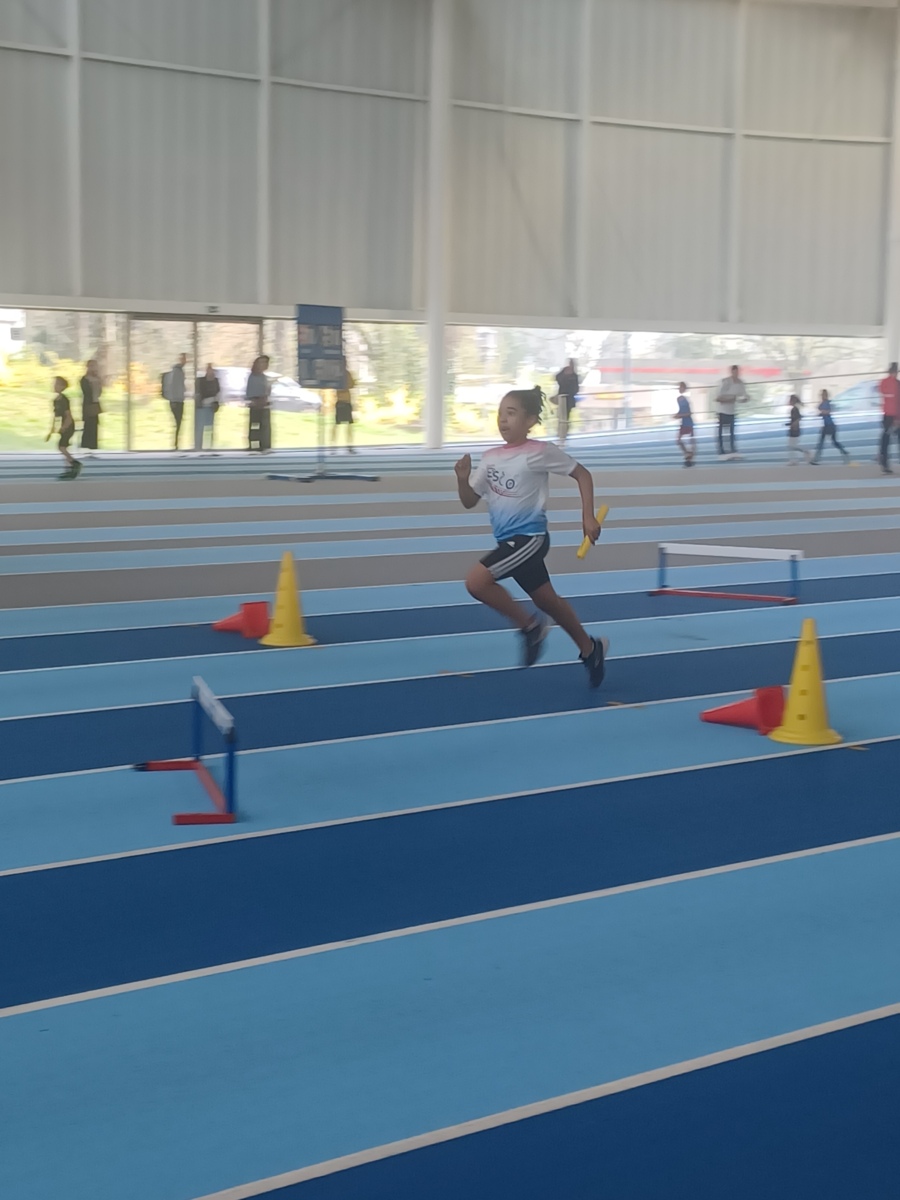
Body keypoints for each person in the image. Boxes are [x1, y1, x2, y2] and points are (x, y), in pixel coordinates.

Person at [454, 385, 608, 687]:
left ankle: (530, 627)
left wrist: (587, 516)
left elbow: (582, 474)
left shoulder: (539, 452)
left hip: (530, 539)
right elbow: (470, 500)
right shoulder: (490, 458)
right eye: (500, 413)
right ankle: (591, 649)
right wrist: (462, 479)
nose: (503, 419)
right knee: (549, 602)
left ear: (530, 421)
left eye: (511, 413)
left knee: (476, 582)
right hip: (509, 543)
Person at [46, 376, 81, 479]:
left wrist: (64, 427)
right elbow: (55, 417)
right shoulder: (55, 400)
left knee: (61, 447)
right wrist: (51, 430)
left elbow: (68, 415)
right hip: (64, 425)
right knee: (64, 447)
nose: (54, 386)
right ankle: (68, 469)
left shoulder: (64, 400)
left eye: (56, 384)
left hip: (69, 425)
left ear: (62, 387)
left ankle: (75, 463)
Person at [714, 365, 748, 459]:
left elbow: (743, 395)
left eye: (737, 372)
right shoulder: (725, 382)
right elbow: (718, 398)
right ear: (731, 372)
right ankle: (721, 451)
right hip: (722, 410)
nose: (736, 374)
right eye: (734, 372)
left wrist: (744, 399)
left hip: (732, 411)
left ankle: (733, 450)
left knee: (732, 432)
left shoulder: (740, 383)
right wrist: (730, 399)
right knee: (721, 432)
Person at [812, 389, 848, 464]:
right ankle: (844, 452)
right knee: (832, 441)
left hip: (829, 425)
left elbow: (827, 411)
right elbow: (820, 409)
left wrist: (822, 412)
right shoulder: (825, 403)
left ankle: (816, 459)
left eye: (823, 395)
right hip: (828, 425)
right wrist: (821, 412)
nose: (822, 396)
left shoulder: (826, 403)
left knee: (823, 442)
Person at [246, 355, 272, 451]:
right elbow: (250, 393)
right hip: (256, 406)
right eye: (263, 362)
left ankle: (265, 445)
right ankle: (255, 446)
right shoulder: (253, 377)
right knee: (255, 427)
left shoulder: (263, 377)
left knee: (264, 428)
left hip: (264, 406)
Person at [878, 362, 900, 475]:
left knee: (885, 439)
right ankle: (883, 459)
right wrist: (897, 418)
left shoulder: (883, 383)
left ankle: (884, 461)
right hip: (895, 415)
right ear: (896, 372)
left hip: (886, 415)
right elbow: (897, 402)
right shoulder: (897, 384)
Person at [162, 353, 187, 449]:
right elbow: (173, 386)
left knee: (179, 422)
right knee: (178, 422)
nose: (185, 361)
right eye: (183, 359)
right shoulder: (177, 372)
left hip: (178, 400)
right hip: (176, 401)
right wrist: (173, 400)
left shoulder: (180, 371)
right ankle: (175, 443)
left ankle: (176, 443)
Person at [195, 363, 220, 450]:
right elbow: (200, 394)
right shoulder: (201, 381)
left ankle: (209, 446)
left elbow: (218, 392)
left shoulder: (215, 381)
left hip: (211, 408)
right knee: (200, 428)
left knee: (209, 428)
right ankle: (199, 447)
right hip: (202, 408)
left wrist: (215, 401)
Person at [554, 359, 579, 446]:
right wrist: (564, 373)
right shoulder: (564, 373)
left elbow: (576, 389)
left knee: (566, 417)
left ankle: (564, 434)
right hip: (562, 398)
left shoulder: (574, 376)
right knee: (560, 416)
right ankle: (560, 433)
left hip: (568, 399)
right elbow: (557, 378)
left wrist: (569, 393)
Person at [332, 367, 356, 453]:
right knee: (337, 424)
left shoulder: (345, 373)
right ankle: (334, 446)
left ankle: (349, 446)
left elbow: (352, 385)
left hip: (346, 402)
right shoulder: (338, 374)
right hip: (341, 401)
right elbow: (348, 386)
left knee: (348, 425)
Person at [79, 359, 102, 450]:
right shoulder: (84, 379)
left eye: (95, 366)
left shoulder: (97, 379)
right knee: (88, 425)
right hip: (88, 404)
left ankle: (93, 445)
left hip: (95, 403)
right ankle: (86, 445)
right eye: (91, 366)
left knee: (94, 425)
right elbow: (87, 392)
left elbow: (99, 392)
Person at [786, 395, 812, 465]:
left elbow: (797, 419)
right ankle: (795, 458)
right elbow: (797, 419)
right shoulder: (794, 409)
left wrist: (793, 425)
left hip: (794, 429)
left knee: (792, 446)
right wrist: (790, 424)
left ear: (792, 401)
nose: (788, 401)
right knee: (792, 445)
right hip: (794, 429)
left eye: (790, 400)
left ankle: (796, 458)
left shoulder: (794, 409)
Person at [675, 382, 695, 467]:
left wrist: (679, 415)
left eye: (680, 387)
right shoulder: (680, 399)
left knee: (689, 440)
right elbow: (682, 411)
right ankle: (688, 455)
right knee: (680, 440)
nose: (679, 389)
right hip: (684, 422)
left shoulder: (684, 400)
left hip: (687, 422)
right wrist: (677, 415)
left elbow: (688, 413)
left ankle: (689, 457)